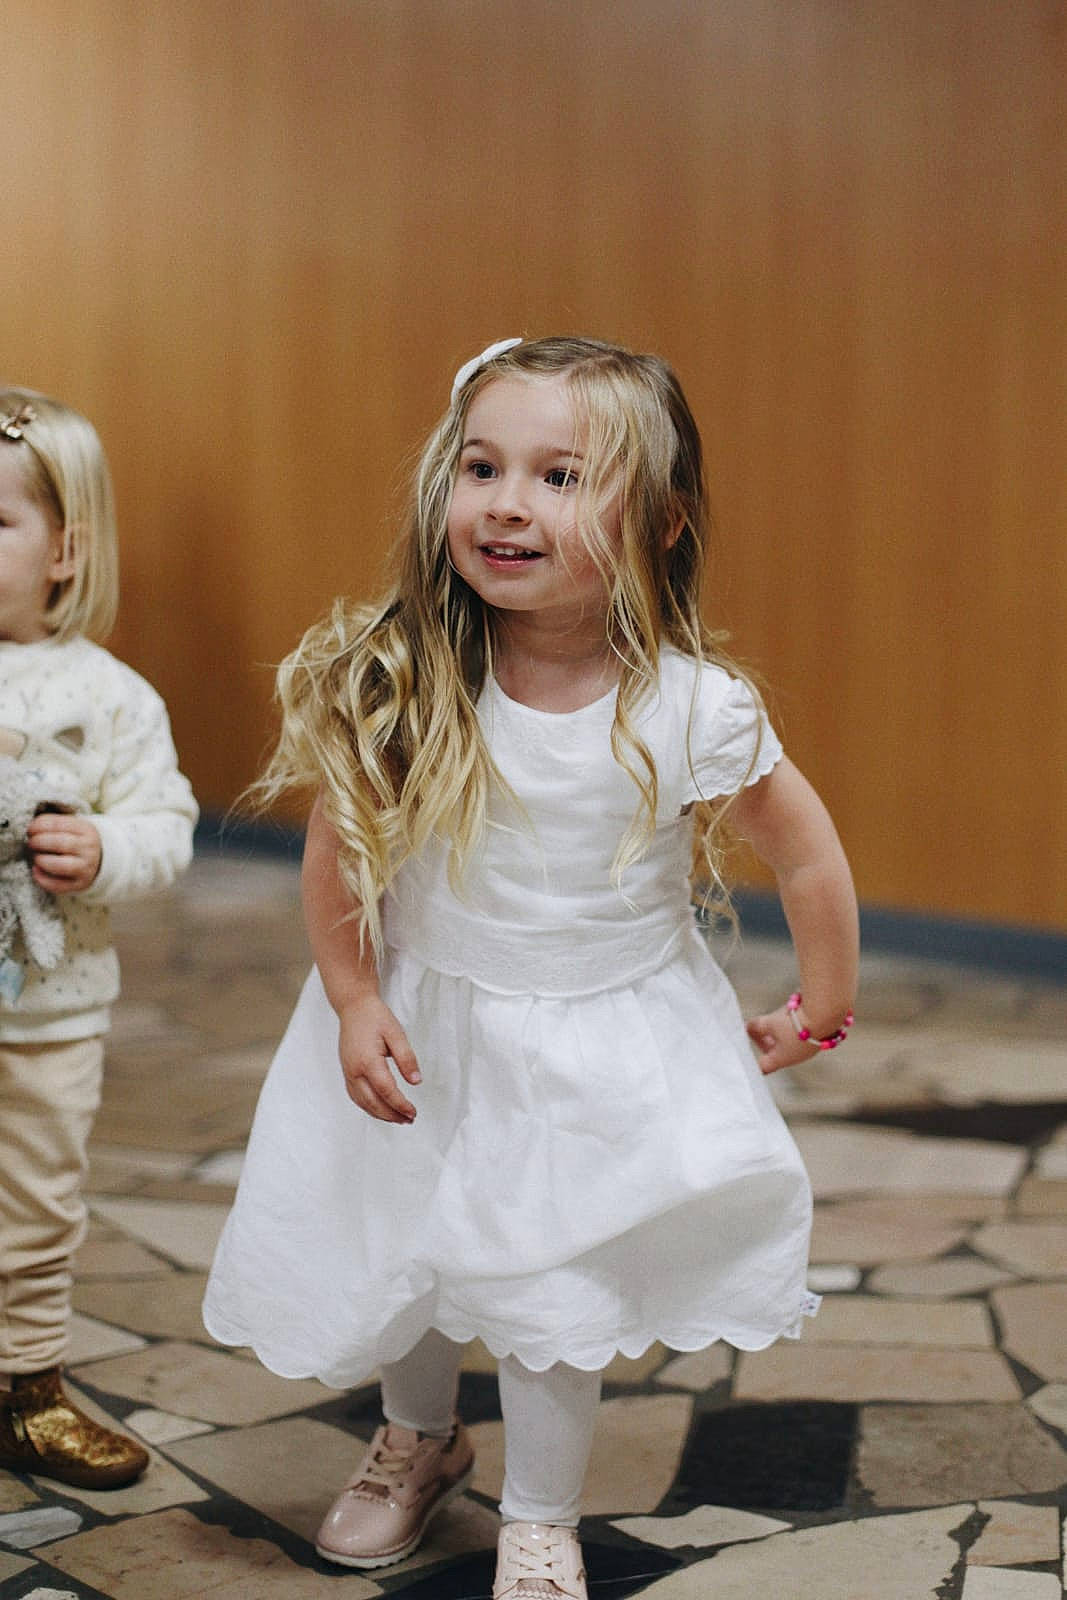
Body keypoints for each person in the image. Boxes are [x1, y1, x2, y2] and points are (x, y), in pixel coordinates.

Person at [203, 337, 858, 1599]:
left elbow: (807, 856)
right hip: (429, 1018)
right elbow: (342, 858)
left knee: (557, 1282)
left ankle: (540, 1513)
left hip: (601, 1041)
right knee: (413, 1246)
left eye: (561, 476)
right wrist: (352, 996)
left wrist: (820, 1005)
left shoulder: (688, 704)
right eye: (481, 465)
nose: (507, 501)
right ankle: (418, 1438)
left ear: (660, 524)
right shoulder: (410, 679)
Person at [0, 389, 198, 1489]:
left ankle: (27, 1385)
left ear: (66, 550)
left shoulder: (111, 697)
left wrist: (105, 848)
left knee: (35, 1197)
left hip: (48, 1005)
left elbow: (166, 826)